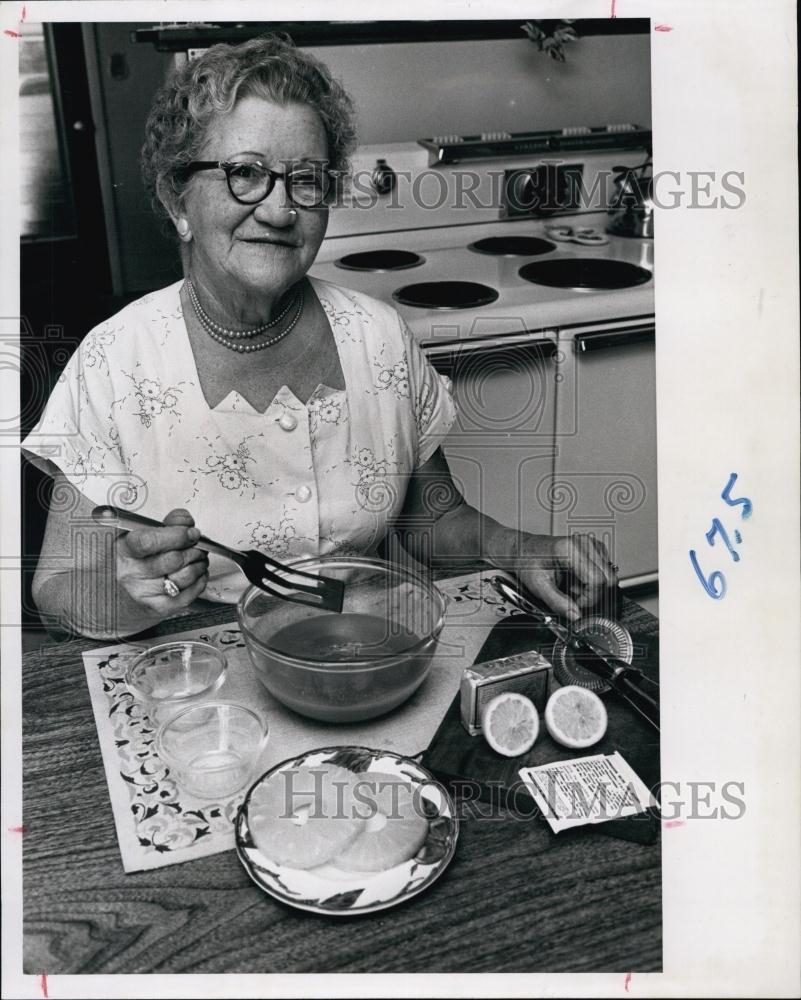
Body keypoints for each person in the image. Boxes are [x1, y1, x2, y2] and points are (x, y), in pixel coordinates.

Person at [23, 34, 616, 641]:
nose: (280, 210)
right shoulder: (114, 363)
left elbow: (431, 520)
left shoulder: (377, 337)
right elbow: (58, 591)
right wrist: (131, 596)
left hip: (366, 655)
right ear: (178, 199)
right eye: (245, 174)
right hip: (203, 689)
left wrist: (517, 548)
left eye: (305, 180)